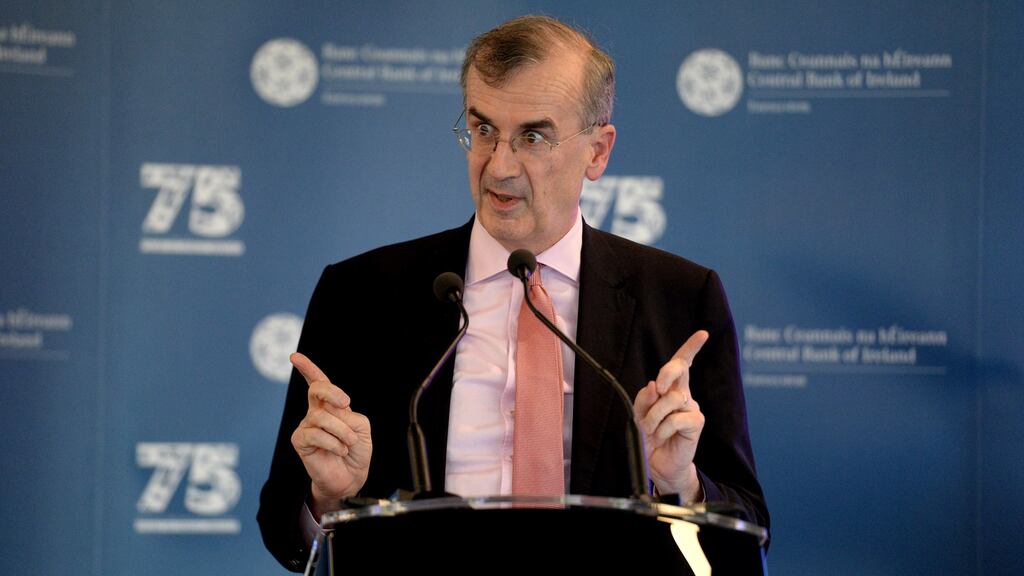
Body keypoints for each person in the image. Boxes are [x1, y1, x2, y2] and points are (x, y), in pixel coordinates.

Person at [258, 15, 768, 571]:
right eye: (482, 130)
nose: (498, 166)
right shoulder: (361, 295)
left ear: (598, 152)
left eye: (532, 136)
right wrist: (328, 498)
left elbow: (750, 529)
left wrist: (681, 482)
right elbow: (287, 533)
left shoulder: (680, 299)